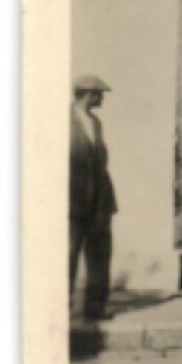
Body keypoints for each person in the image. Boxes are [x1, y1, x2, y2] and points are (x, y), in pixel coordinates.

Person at [69, 74, 116, 321]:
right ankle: (61, 306)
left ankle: (95, 307)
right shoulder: (62, 121)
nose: (102, 99)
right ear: (88, 94)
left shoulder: (96, 123)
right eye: (99, 94)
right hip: (73, 202)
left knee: (100, 254)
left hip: (99, 202)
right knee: (68, 254)